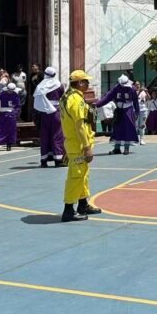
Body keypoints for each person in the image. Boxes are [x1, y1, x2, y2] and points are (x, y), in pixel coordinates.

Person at [60, 70, 102, 222]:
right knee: (76, 176)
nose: (88, 84)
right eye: (86, 81)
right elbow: (79, 126)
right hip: (78, 144)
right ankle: (68, 209)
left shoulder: (66, 97)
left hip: (73, 142)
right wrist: (86, 147)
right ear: (79, 83)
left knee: (83, 175)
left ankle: (83, 204)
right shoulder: (76, 100)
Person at [97, 74, 140, 155]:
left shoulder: (132, 89)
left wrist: (137, 112)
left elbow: (135, 102)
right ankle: (117, 148)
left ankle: (126, 148)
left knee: (128, 128)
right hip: (119, 110)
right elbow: (107, 97)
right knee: (117, 129)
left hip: (128, 110)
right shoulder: (116, 88)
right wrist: (97, 104)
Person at [34, 67, 67, 167]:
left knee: (45, 135)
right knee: (57, 134)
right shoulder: (59, 85)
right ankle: (58, 159)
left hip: (44, 113)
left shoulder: (40, 86)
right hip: (56, 112)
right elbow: (63, 98)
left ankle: (44, 159)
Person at [0, 82, 21, 151]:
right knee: (0, 128)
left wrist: (14, 113)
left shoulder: (15, 95)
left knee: (10, 130)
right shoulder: (3, 93)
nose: (9, 92)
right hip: (3, 114)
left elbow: (18, 106)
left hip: (11, 114)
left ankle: (9, 144)